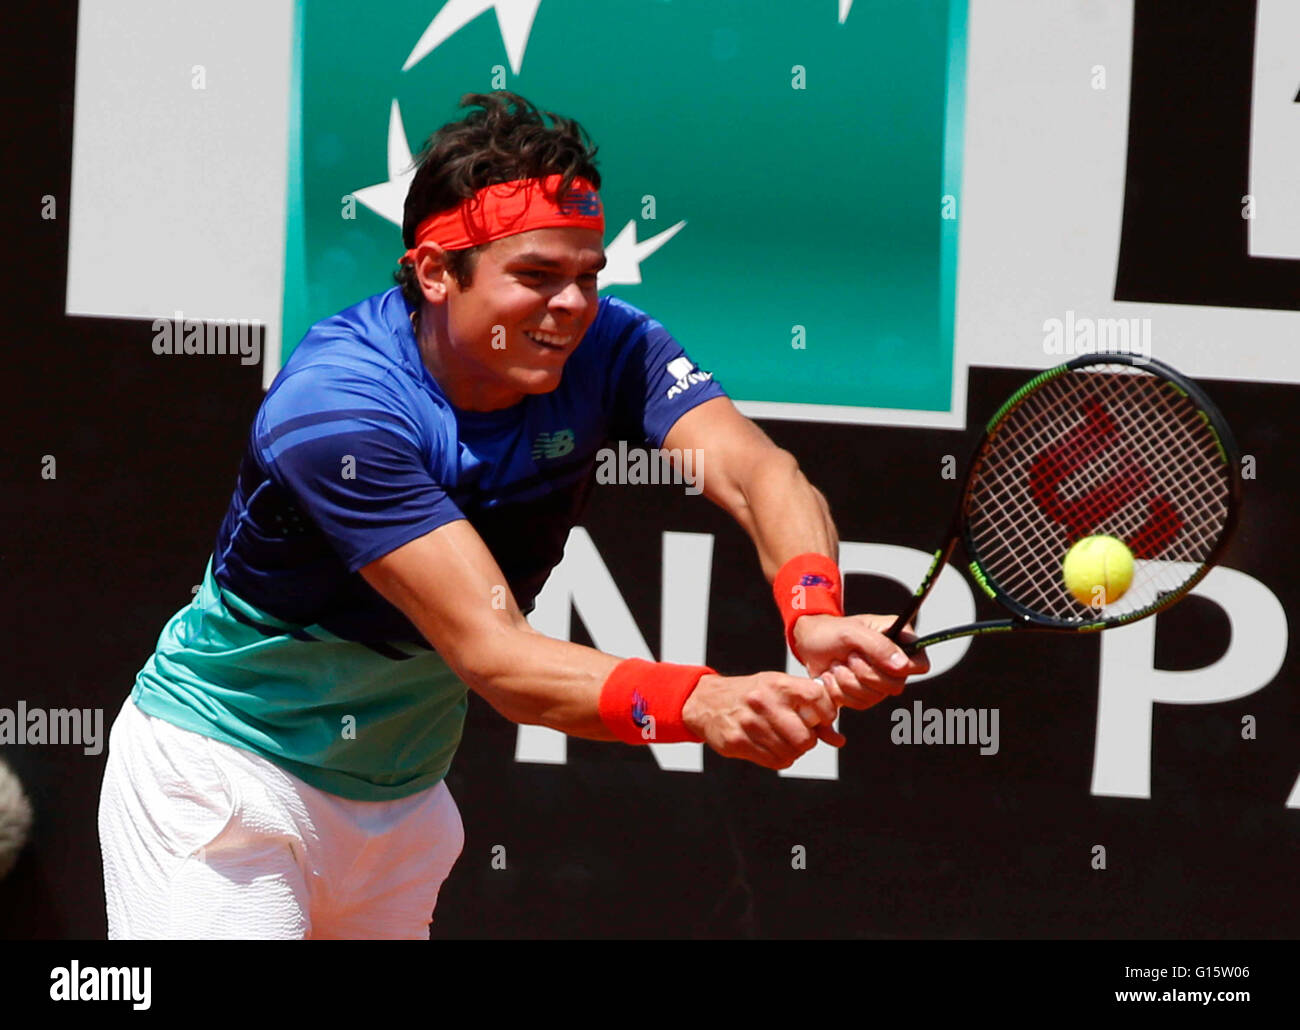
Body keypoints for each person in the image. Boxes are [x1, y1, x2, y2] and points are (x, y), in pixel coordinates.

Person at [97, 91, 929, 939]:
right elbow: (496, 657)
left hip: (401, 810)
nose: (570, 305)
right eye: (535, 276)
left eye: (587, 275)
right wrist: (705, 703)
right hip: (226, 787)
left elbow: (760, 472)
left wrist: (814, 611)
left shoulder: (611, 345)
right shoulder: (340, 411)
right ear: (433, 272)